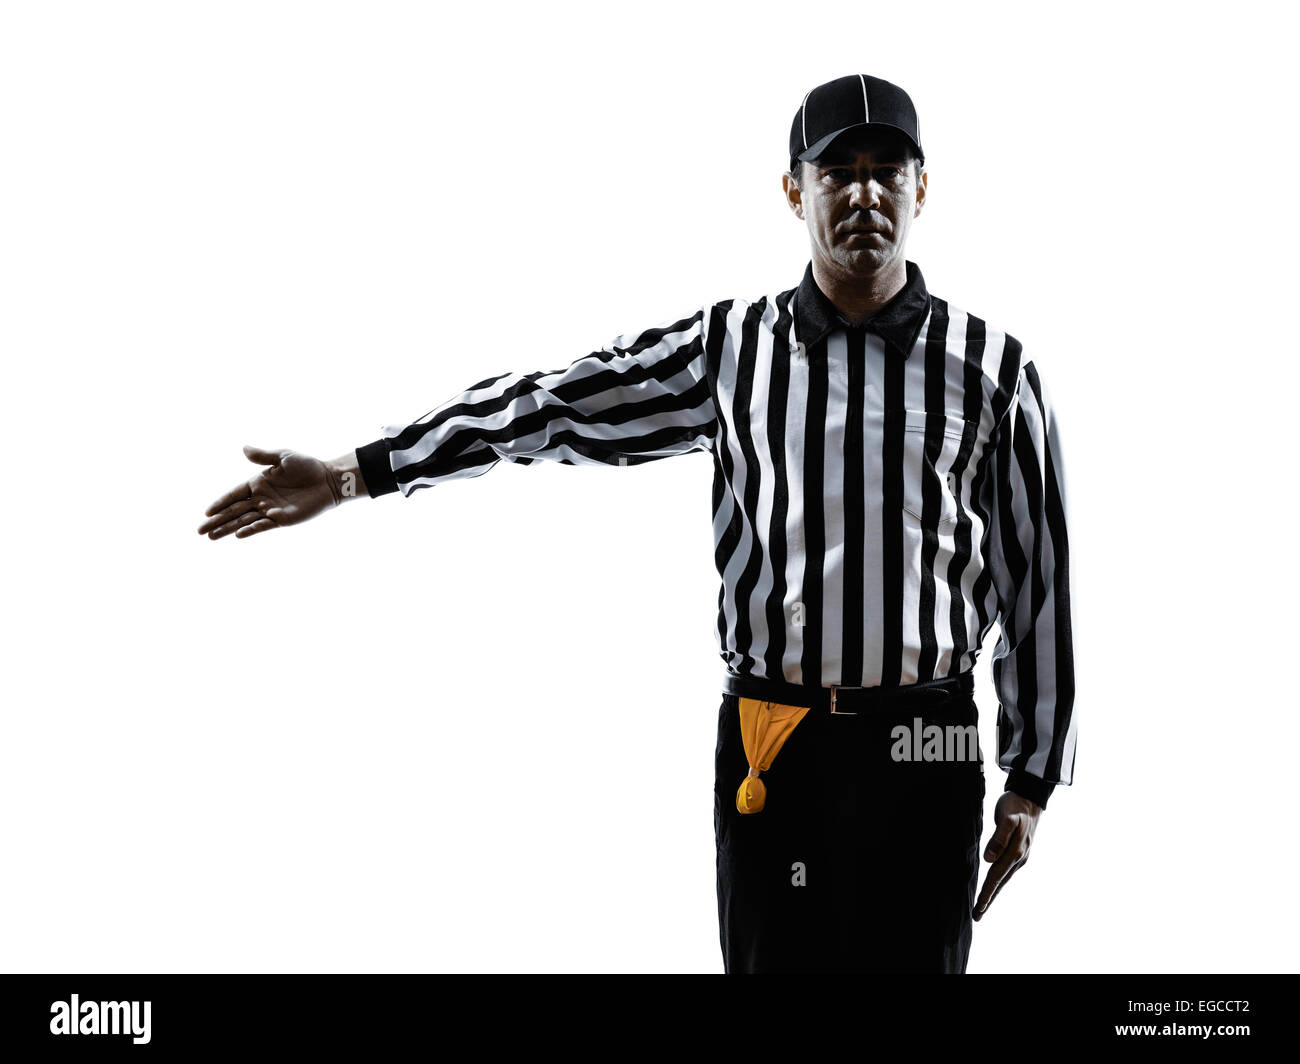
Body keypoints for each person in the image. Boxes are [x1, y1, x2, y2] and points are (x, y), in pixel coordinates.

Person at [197, 73, 1075, 974]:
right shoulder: (731, 349)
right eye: (835, 171)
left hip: (925, 738)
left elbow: (1039, 581)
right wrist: (355, 472)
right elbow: (546, 408)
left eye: (886, 170)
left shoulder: (993, 368)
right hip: (776, 738)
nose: (862, 193)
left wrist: (1032, 780)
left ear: (920, 188)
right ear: (792, 189)